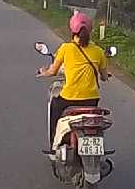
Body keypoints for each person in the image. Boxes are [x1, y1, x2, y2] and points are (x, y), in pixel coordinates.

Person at [36, 11, 110, 148]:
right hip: (91, 99)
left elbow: (53, 71)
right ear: (90, 30)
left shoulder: (66, 48)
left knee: (54, 107)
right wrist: (104, 75)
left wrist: (43, 72)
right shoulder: (98, 51)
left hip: (69, 98)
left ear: (72, 30)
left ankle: (54, 145)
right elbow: (104, 77)